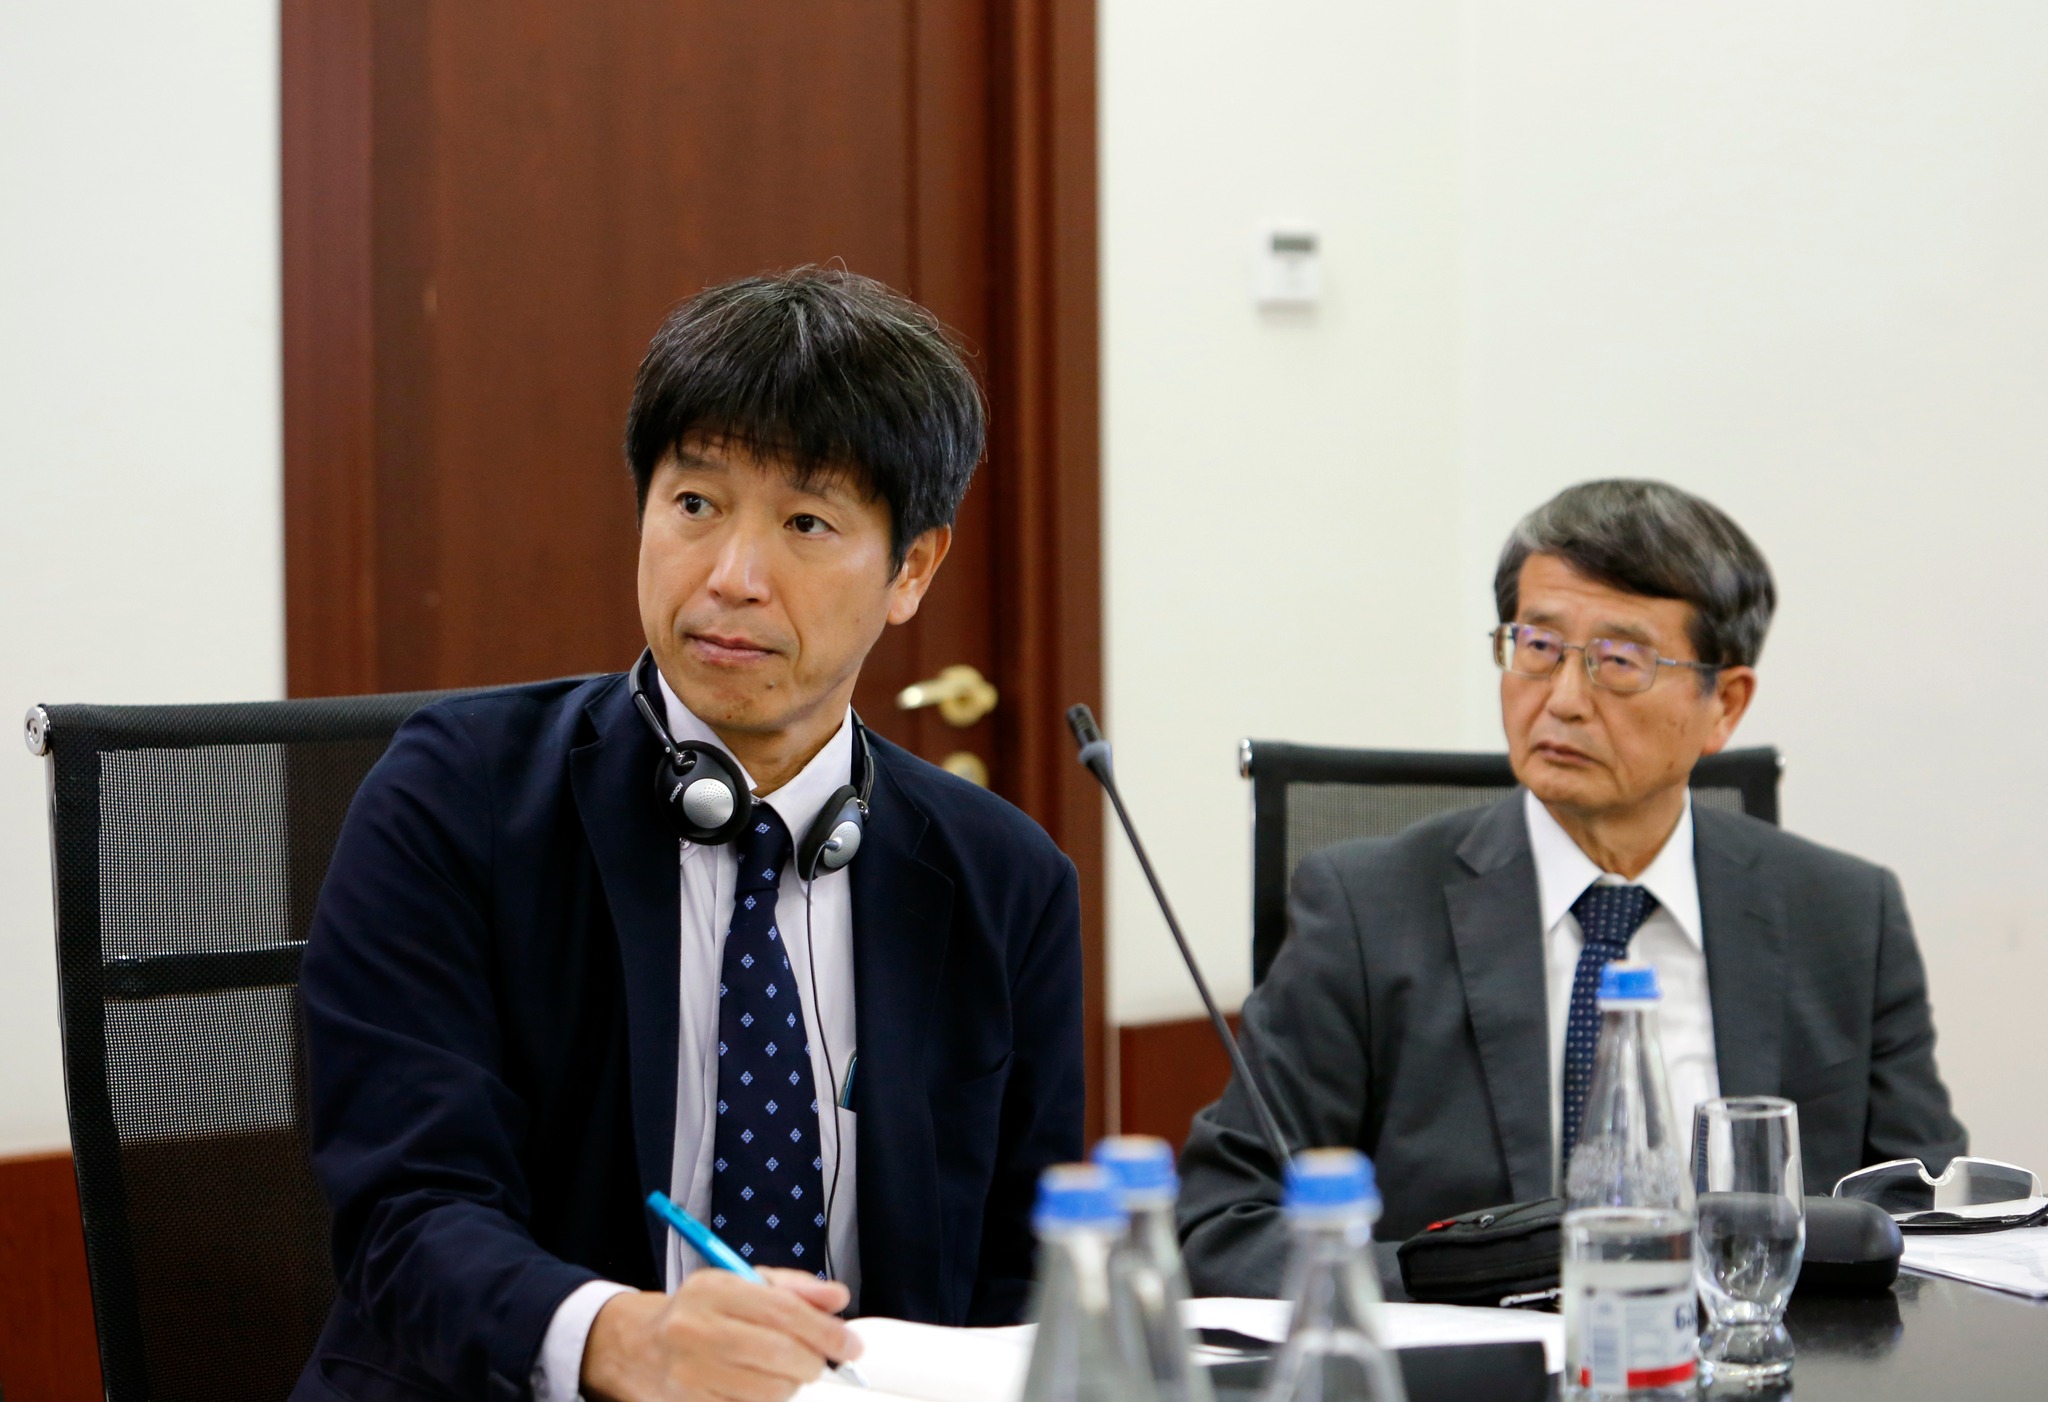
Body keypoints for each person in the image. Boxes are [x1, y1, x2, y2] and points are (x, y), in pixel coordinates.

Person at [292, 268, 1084, 1402]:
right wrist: (626, 1341)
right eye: (696, 505)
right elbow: (406, 1213)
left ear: (911, 569)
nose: (732, 578)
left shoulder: (1003, 878)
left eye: (806, 523)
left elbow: (1025, 1280)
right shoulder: (456, 796)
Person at [1177, 479, 1966, 1296]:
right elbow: (1223, 1227)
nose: (1562, 700)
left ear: (1724, 706)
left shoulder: (1846, 918)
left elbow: (1929, 1224)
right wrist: (1465, 1282)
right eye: (1538, 646)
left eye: (1619, 662)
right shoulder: (1365, 912)